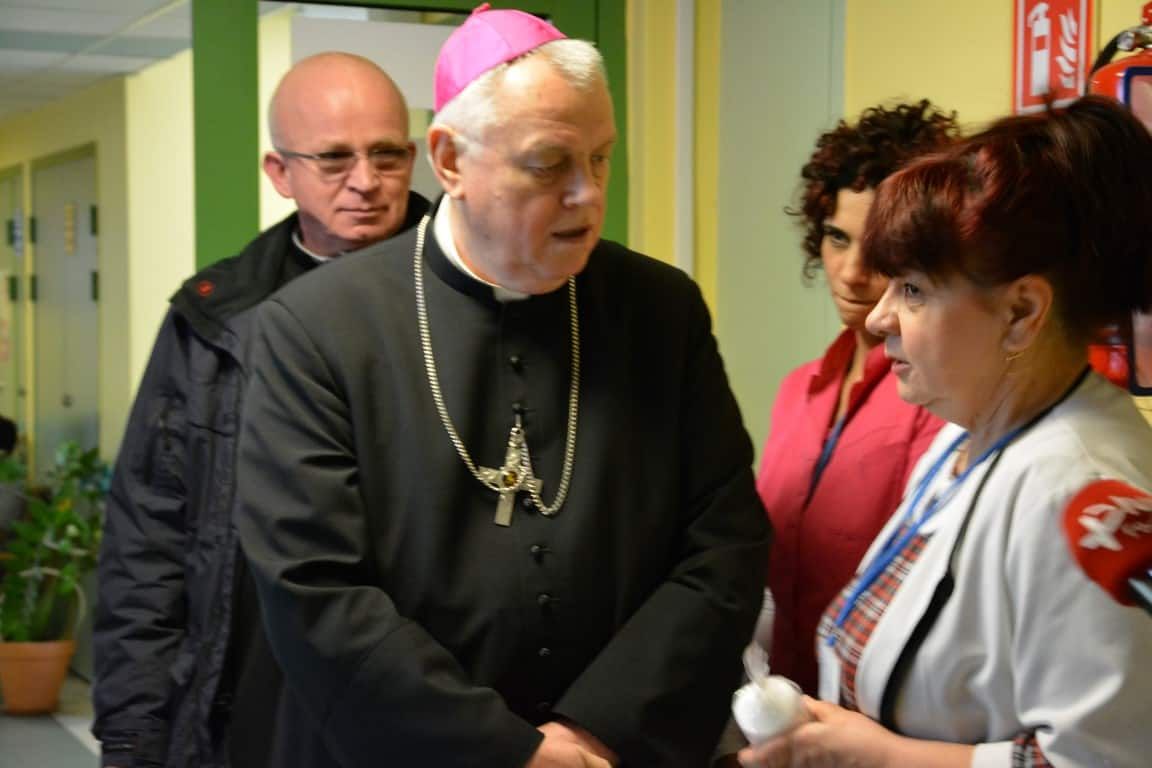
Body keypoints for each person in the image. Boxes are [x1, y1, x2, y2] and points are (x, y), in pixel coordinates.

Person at [234, 6, 771, 768]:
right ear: (450, 160)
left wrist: (596, 731)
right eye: (549, 165)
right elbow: (314, 590)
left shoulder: (660, 309)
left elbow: (725, 544)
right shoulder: (315, 329)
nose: (588, 194)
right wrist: (506, 751)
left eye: (601, 158)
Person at [739, 95, 1152, 767]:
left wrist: (882, 757)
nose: (879, 318)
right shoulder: (966, 440)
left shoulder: (1084, 493)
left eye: (913, 290)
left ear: (1020, 313)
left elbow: (1105, 760)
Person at [92, 53, 430, 768]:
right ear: (280, 173)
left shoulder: (474, 295)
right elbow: (148, 538)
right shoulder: (214, 318)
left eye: (387, 155)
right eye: (334, 159)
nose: (366, 181)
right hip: (253, 694)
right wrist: (133, 734)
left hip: (425, 700)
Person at [755, 101, 955, 696]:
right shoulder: (799, 390)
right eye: (836, 238)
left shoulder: (942, 396)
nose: (850, 271)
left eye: (878, 246)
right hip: (783, 701)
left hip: (887, 711)